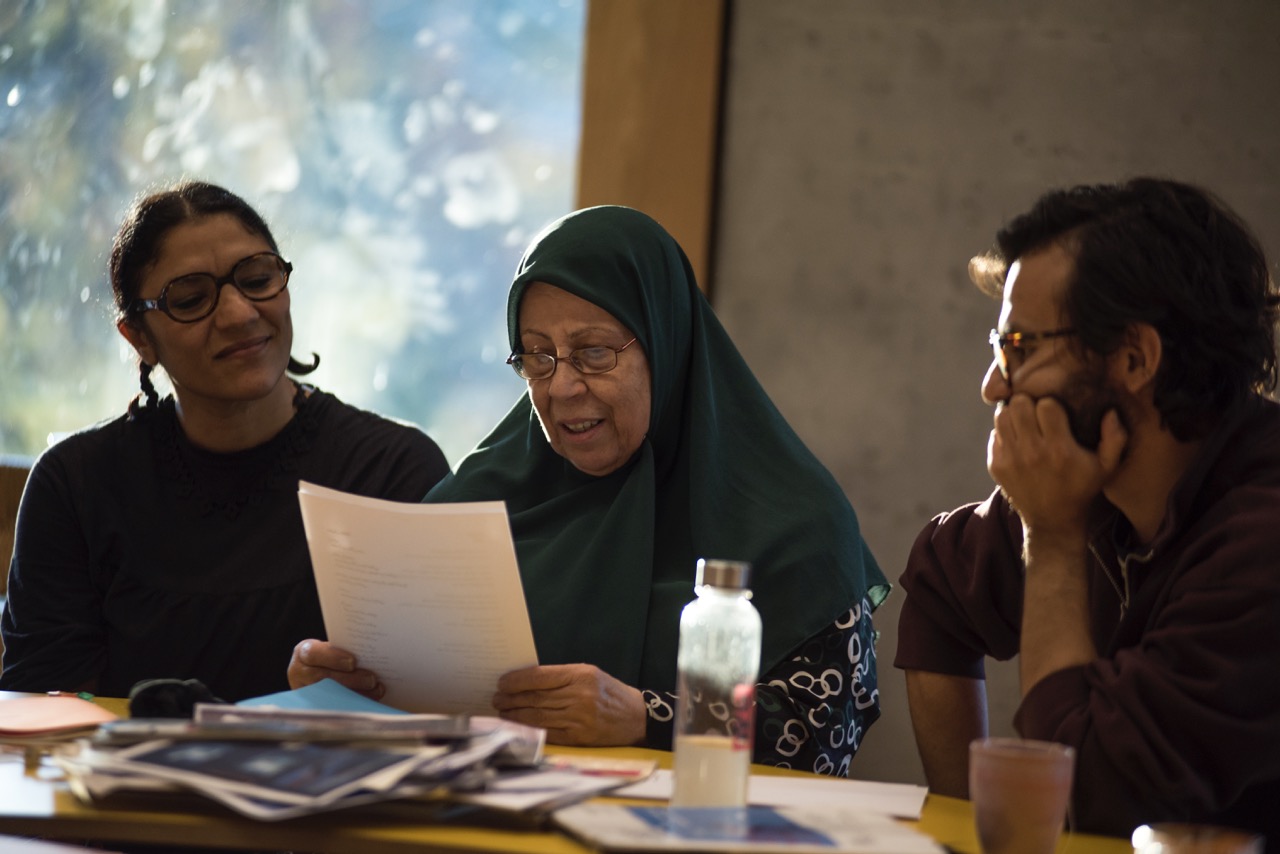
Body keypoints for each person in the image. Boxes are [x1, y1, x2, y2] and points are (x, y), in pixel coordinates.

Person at [290, 205, 891, 775]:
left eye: (594, 353)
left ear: (666, 342)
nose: (562, 388)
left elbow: (821, 735)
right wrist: (339, 686)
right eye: (537, 358)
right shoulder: (479, 503)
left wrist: (644, 716)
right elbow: (409, 691)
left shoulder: (794, 523)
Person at [895, 177, 1280, 838]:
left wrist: (1052, 539)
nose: (993, 384)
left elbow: (1091, 800)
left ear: (1135, 358)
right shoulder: (1097, 487)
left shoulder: (1261, 539)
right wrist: (967, 832)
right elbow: (940, 582)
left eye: (1019, 347)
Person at [0, 180, 450, 702]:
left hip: (328, 779)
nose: (239, 313)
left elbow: (442, 701)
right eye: (191, 299)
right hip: (135, 782)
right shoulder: (75, 484)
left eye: (258, 279)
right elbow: (43, 717)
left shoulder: (390, 469)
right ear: (139, 338)